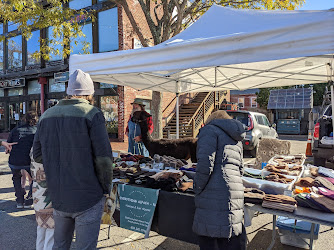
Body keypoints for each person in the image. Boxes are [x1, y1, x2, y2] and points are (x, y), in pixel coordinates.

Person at [33, 69, 113, 249]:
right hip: (88, 196)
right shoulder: (92, 113)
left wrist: (58, 165)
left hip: (59, 195)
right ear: (89, 93)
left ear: (69, 92)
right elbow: (104, 159)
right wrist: (106, 188)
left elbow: (37, 154)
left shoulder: (46, 115)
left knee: (60, 245)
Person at [192, 110, 246, 250]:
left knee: (210, 237)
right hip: (235, 190)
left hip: (213, 192)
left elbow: (205, 165)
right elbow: (241, 169)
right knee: (230, 237)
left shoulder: (209, 131)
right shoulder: (237, 137)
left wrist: (197, 188)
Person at [7, 111, 37, 209]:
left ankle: (19, 201)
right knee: (35, 178)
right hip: (29, 160)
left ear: (24, 119)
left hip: (14, 160)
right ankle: (29, 199)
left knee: (16, 178)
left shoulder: (15, 130)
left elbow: (8, 145)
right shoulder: (36, 130)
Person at [30, 149, 55, 250]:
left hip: (37, 192)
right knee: (51, 230)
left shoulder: (34, 148)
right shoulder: (50, 147)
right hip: (48, 193)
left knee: (41, 227)